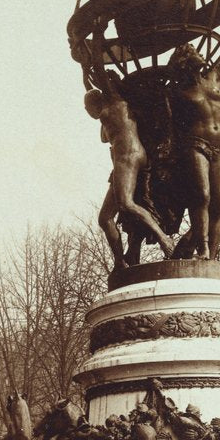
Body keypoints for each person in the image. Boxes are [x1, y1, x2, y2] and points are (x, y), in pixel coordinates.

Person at [82, 26, 175, 268]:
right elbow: (90, 80)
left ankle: (164, 240)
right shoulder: (113, 107)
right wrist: (84, 64)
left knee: (126, 204)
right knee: (105, 218)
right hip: (129, 158)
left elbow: (98, 73)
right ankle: (121, 263)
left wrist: (97, 35)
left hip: (128, 158)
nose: (87, 111)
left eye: (87, 107)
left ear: (97, 101)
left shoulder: (111, 103)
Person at [167, 13, 220, 259]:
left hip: (219, 147)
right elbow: (172, 126)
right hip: (195, 145)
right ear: (184, 62)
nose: (197, 51)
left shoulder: (214, 77)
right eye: (190, 51)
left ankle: (210, 259)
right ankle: (203, 248)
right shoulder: (178, 92)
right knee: (201, 196)